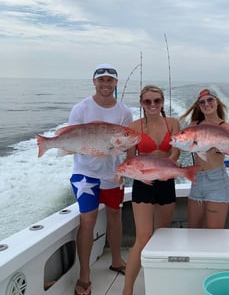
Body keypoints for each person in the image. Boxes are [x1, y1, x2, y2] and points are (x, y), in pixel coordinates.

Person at [69, 64, 133, 295]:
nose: (106, 84)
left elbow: (127, 143)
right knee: (88, 220)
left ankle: (116, 260)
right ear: (94, 82)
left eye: (110, 80)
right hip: (84, 174)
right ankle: (84, 275)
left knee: (116, 215)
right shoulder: (81, 108)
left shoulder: (124, 112)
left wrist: (126, 167)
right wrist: (88, 150)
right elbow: (72, 138)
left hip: (112, 174)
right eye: (101, 80)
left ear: (116, 83)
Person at [122, 85, 180, 295]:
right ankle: (127, 290)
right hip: (143, 183)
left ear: (163, 102)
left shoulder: (173, 123)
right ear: (141, 103)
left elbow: (175, 152)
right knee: (143, 237)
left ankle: (159, 285)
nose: (153, 105)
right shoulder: (134, 126)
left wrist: (166, 165)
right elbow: (130, 158)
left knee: (161, 236)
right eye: (148, 101)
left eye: (157, 101)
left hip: (166, 180)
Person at [179, 88, 229, 228]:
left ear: (217, 102)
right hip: (197, 180)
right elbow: (182, 145)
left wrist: (224, 148)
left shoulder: (225, 127)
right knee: (194, 229)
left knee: (213, 234)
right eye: (202, 102)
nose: (206, 104)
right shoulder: (193, 126)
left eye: (210, 99)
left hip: (217, 180)